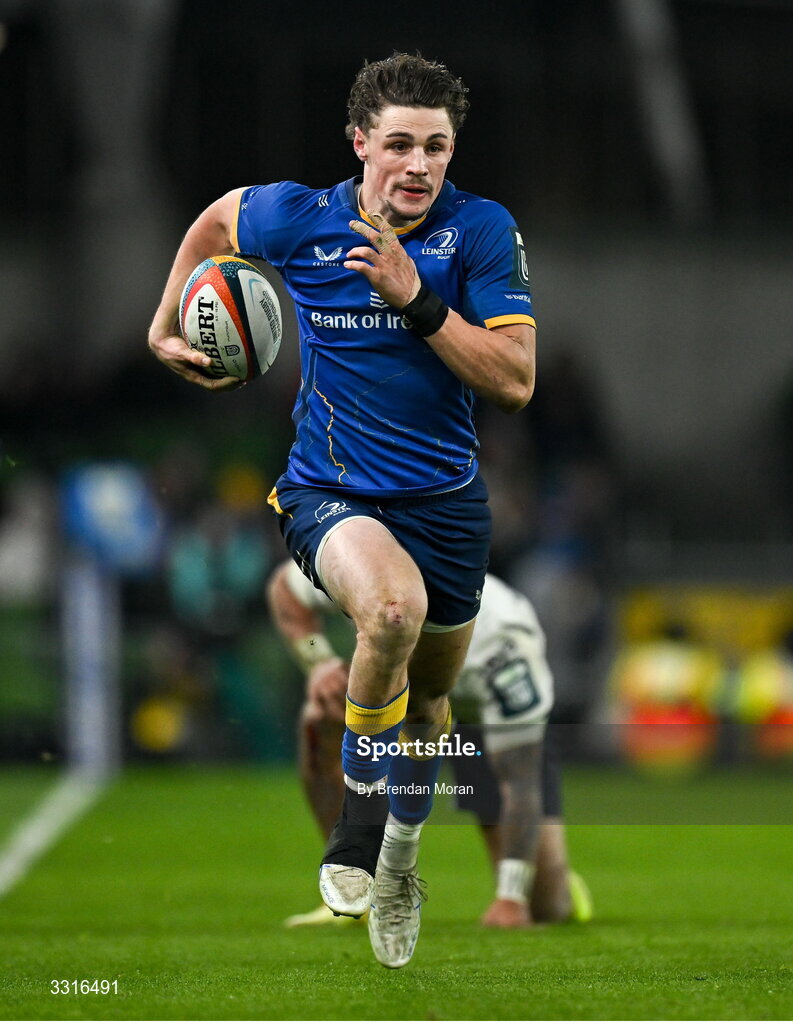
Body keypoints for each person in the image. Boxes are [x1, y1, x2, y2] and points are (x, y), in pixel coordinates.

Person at [148, 52, 536, 969]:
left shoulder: (478, 232)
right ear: (360, 143)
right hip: (332, 492)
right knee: (388, 611)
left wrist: (418, 300)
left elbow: (515, 381)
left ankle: (399, 859)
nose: (417, 164)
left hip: (446, 504)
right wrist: (164, 324)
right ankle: (361, 824)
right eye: (398, 143)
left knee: (434, 702)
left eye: (435, 147)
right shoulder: (299, 216)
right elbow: (213, 221)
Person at [268, 560, 593, 930]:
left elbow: (519, 779)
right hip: (392, 687)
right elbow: (286, 588)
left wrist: (511, 897)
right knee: (318, 715)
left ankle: (554, 882)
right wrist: (319, 660)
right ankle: (352, 879)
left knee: (547, 905)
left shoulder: (504, 645)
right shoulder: (364, 576)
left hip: (480, 719)